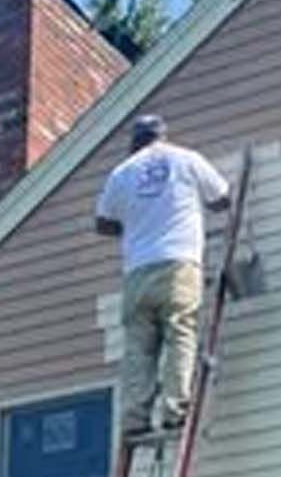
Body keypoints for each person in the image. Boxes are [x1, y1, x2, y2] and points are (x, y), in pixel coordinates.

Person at [95, 115, 231, 441]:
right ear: (163, 136)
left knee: (138, 349)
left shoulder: (122, 172)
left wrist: (134, 223)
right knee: (180, 333)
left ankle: (134, 418)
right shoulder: (186, 159)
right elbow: (222, 199)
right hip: (178, 263)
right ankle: (175, 411)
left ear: (135, 142)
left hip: (136, 274)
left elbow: (102, 223)